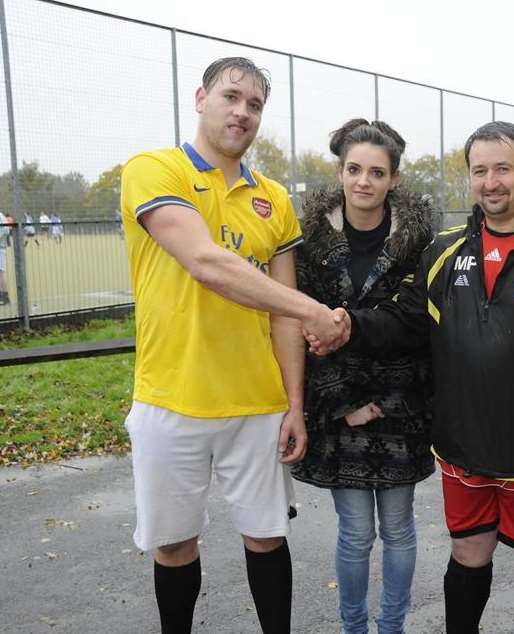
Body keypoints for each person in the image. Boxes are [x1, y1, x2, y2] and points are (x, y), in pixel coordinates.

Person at [315, 121, 514, 634]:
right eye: (480, 171)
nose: (491, 182)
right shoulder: (445, 250)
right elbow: (405, 319)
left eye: (503, 168)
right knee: (468, 552)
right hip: (462, 446)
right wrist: (350, 324)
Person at [119, 56, 347, 634]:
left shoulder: (273, 196)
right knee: (173, 546)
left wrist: (294, 403)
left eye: (255, 105)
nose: (242, 111)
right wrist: (320, 312)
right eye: (231, 97)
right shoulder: (154, 169)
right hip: (172, 397)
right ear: (201, 99)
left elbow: (281, 315)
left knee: (268, 538)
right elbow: (206, 263)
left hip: (257, 403)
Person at [292, 118, 435, 634]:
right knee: (355, 533)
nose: (364, 182)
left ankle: (391, 626)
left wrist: (388, 398)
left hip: (401, 409)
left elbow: (418, 326)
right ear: (340, 171)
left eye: (377, 172)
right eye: (354, 169)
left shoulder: (421, 243)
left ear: (394, 178)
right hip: (339, 409)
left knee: (398, 528)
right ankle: (354, 627)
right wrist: (342, 403)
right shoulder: (309, 242)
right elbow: (302, 323)